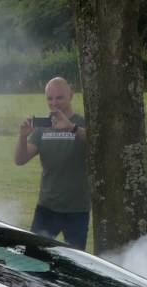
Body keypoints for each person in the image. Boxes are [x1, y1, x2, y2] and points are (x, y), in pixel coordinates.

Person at [14, 76, 90, 251]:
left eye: (59, 97)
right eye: (50, 98)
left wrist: (72, 128)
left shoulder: (81, 123)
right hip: (47, 207)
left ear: (71, 95)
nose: (54, 103)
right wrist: (23, 136)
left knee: (76, 262)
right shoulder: (42, 128)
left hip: (76, 208)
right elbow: (20, 160)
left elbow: (98, 143)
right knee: (33, 256)